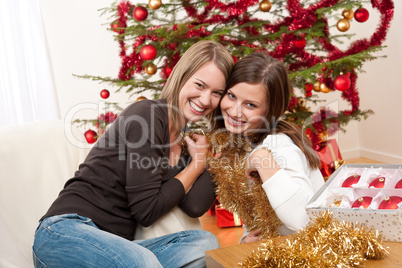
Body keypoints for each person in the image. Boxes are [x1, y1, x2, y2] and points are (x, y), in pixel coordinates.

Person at [32, 40, 234, 267]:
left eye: (217, 93)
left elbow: (195, 205)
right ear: (182, 77)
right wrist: (196, 165)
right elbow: (146, 211)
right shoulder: (147, 115)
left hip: (117, 248)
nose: (206, 99)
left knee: (204, 244)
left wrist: (227, 134)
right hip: (64, 233)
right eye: (199, 85)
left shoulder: (186, 140)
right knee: (143, 262)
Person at [217, 52, 325, 244]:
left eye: (250, 105)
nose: (234, 111)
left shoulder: (279, 145)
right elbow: (255, 212)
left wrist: (260, 159)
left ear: (270, 111)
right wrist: (245, 240)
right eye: (231, 96)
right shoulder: (244, 141)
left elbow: (304, 219)